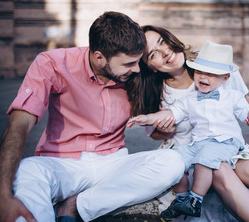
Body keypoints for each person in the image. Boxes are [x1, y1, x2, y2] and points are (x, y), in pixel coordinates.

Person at [127, 25, 249, 222]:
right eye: (153, 54)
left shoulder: (211, 58)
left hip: (225, 141)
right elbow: (154, 132)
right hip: (188, 149)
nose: (165, 52)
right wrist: (164, 132)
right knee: (220, 171)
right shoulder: (153, 90)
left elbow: (243, 100)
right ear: (149, 67)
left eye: (162, 41)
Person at [0, 12, 184, 222]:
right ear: (99, 57)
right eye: (128, 64)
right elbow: (18, 125)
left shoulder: (135, 73)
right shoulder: (52, 63)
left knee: (173, 162)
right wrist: (3, 196)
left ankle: (75, 205)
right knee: (27, 171)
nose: (136, 69)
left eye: (137, 62)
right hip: (63, 164)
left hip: (113, 164)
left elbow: (155, 130)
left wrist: (164, 130)